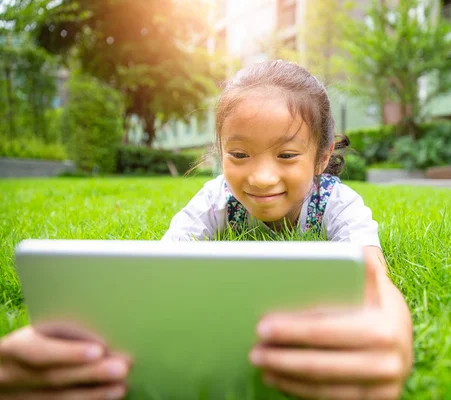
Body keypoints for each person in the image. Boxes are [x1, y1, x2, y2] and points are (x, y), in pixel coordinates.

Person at [0, 60, 413, 400]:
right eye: (239, 154)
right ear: (220, 152)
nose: (262, 177)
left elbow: (376, 280)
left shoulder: (337, 203)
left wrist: (396, 342)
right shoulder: (217, 198)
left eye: (287, 155)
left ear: (321, 158)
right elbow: (163, 264)